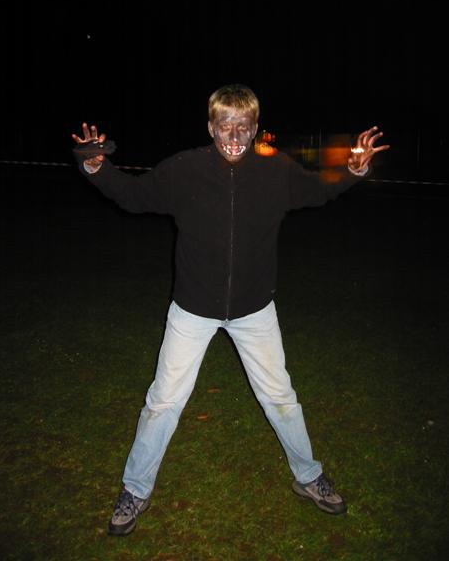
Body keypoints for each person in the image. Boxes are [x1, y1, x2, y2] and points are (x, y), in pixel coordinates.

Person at [72, 84, 389, 536]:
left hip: (254, 309)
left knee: (280, 397)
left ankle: (308, 476)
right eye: (225, 125)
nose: (235, 135)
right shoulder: (185, 169)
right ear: (211, 127)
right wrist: (96, 167)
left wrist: (353, 172)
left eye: (243, 126)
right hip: (193, 308)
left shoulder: (275, 171)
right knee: (163, 401)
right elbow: (134, 196)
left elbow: (319, 190)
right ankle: (135, 489)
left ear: (256, 128)